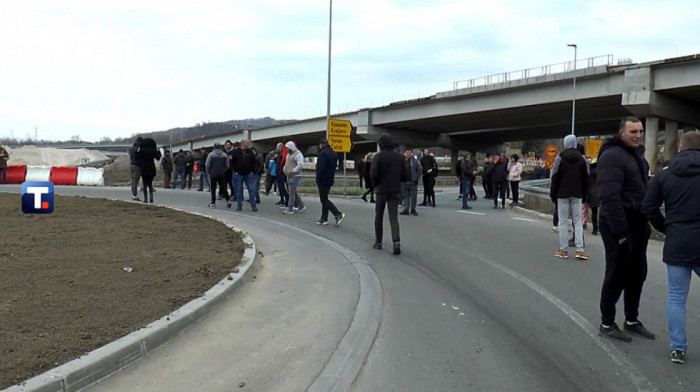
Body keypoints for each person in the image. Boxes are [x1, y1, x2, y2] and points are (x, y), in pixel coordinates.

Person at [642, 131, 700, 364]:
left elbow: (648, 206)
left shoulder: (664, 173)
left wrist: (666, 227)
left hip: (677, 240)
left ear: (679, 148)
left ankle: (678, 348)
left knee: (676, 297)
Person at [598, 116, 655, 342]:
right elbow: (609, 197)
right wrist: (620, 233)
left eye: (640, 131)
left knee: (637, 273)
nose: (637, 135)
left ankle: (631, 320)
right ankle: (607, 322)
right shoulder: (612, 156)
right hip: (617, 225)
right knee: (616, 274)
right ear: (621, 132)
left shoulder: (637, 156)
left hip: (638, 223)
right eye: (633, 131)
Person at [550, 135, 589, 260]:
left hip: (562, 193)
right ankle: (580, 250)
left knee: (562, 221)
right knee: (577, 221)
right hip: (577, 193)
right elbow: (586, 178)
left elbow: (554, 176)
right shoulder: (582, 159)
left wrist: (553, 193)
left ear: (565, 143)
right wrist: (584, 194)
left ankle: (563, 249)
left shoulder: (560, 158)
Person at [370, 133, 410, 255]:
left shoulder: (377, 157)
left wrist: (375, 184)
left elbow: (373, 174)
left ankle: (378, 242)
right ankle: (396, 242)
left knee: (379, 216)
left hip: (381, 190)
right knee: (393, 217)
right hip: (395, 190)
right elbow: (406, 175)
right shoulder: (399, 157)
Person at [315, 138, 345, 226]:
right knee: (325, 198)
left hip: (322, 179)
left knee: (323, 199)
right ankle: (324, 218)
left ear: (321, 144)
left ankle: (337, 213)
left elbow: (321, 168)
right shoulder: (333, 153)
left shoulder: (322, 153)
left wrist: (318, 178)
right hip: (330, 178)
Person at [231, 139, 258, 212]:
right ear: (242, 143)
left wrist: (253, 171)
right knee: (239, 190)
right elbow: (232, 162)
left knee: (251, 190)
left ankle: (253, 205)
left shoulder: (250, 152)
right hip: (239, 174)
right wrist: (235, 171)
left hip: (249, 174)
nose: (248, 144)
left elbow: (254, 162)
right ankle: (239, 205)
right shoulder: (236, 152)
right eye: (247, 143)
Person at [205, 142, 232, 208]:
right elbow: (227, 165)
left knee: (213, 188)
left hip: (213, 174)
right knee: (223, 188)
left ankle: (213, 202)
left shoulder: (211, 155)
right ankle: (228, 200)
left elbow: (207, 165)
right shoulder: (224, 155)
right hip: (221, 174)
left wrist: (209, 172)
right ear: (220, 147)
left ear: (214, 147)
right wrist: (223, 171)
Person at [282, 141, 305, 214]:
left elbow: (300, 165)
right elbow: (287, 163)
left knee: (291, 192)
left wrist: (293, 171)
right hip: (289, 175)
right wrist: (284, 169)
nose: (287, 149)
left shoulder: (298, 154)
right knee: (292, 191)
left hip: (295, 175)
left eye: (288, 148)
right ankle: (301, 206)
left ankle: (290, 208)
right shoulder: (289, 154)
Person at [400, 149, 422, 216]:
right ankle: (406, 209)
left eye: (409, 153)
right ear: (404, 154)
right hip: (404, 182)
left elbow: (420, 170)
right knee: (406, 197)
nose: (408, 154)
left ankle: (413, 209)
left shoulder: (415, 161)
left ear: (412, 154)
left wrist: (416, 177)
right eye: (407, 153)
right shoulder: (401, 161)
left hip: (413, 182)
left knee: (413, 197)